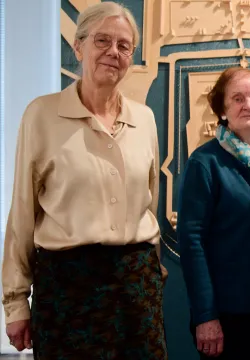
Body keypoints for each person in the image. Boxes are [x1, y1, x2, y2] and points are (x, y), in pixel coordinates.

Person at [2, 2, 166, 358]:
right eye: (102, 40)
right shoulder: (41, 114)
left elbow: (148, 203)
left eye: (124, 46)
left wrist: (152, 271)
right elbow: (23, 214)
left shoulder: (145, 119)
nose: (113, 52)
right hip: (67, 288)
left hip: (136, 288)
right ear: (78, 47)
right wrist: (15, 303)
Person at [177, 66, 250, 359]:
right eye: (238, 98)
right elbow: (192, 243)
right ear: (222, 110)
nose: (248, 105)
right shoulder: (205, 163)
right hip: (225, 315)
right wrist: (206, 315)